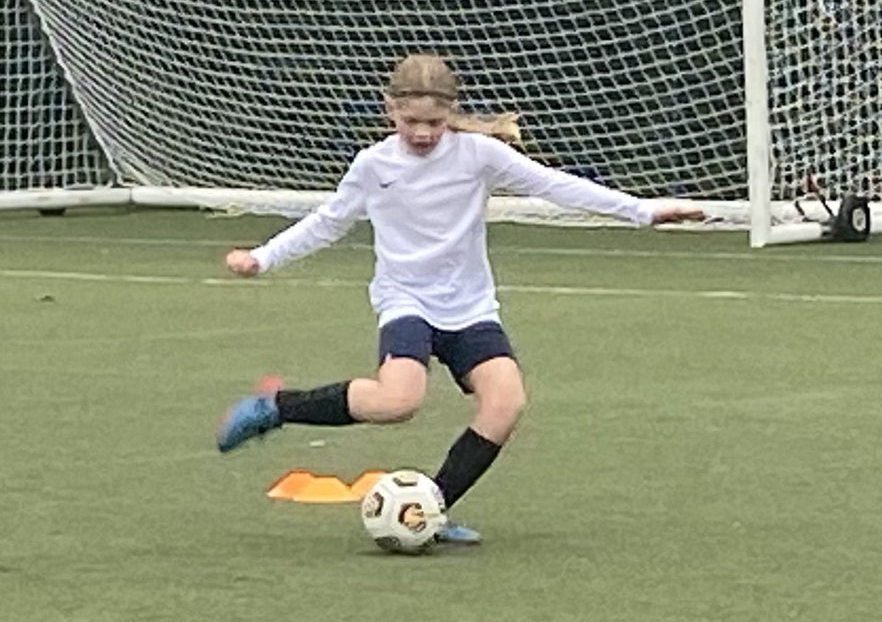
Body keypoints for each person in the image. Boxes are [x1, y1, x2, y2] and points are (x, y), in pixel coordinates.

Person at [217, 52, 705, 543]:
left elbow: (556, 186)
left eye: (434, 122)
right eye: (412, 122)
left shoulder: (479, 155)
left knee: (506, 403)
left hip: (469, 307)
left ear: (452, 113)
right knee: (397, 400)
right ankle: (275, 406)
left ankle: (430, 510)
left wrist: (643, 212)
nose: (424, 133)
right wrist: (263, 257)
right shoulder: (374, 164)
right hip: (406, 298)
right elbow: (327, 222)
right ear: (390, 110)